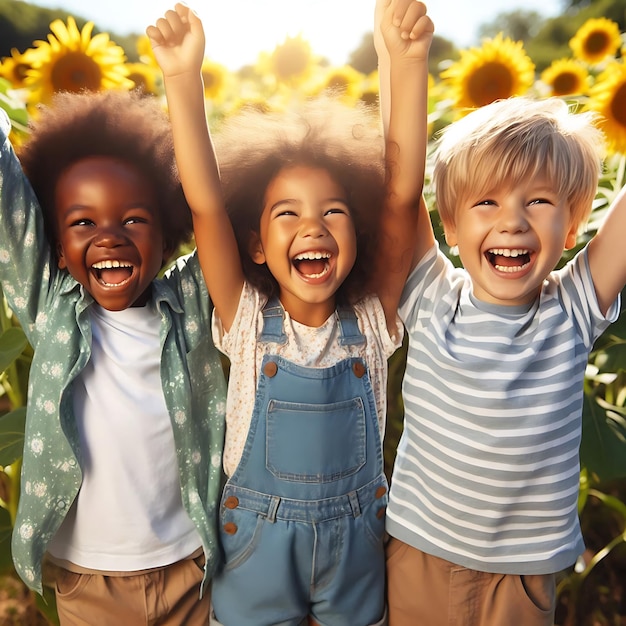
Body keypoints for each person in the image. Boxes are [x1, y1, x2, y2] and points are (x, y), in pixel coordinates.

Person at [146, 1, 432, 624]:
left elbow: (403, 194)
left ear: (358, 234)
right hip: (257, 546)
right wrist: (181, 78)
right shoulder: (246, 319)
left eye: (333, 211)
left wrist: (407, 65)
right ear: (256, 245)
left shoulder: (374, 319)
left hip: (357, 547)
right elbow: (207, 207)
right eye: (288, 214)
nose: (313, 227)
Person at [375, 14, 626, 624]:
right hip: (419, 554)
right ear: (451, 226)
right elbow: (397, 185)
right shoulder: (430, 291)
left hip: (523, 576)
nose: (511, 220)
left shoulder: (572, 309)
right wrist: (404, 62)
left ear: (571, 228)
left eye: (537, 201)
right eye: (485, 201)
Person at [0, 89, 227, 625]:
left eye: (132, 220)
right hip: (90, 577)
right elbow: (8, 210)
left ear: (168, 232)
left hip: (189, 565)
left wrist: (184, 82)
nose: (109, 239)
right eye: (83, 223)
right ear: (55, 244)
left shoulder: (191, 304)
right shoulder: (53, 309)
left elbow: (215, 211)